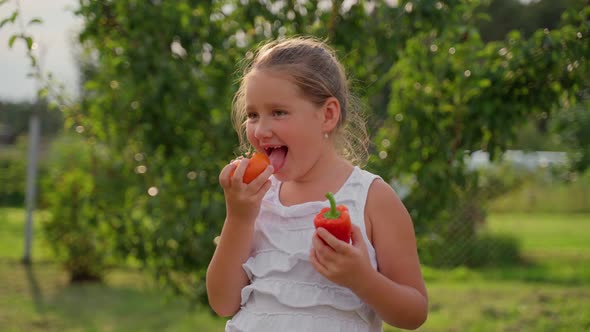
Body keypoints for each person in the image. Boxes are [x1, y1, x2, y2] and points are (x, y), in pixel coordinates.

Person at [206, 36, 428, 331]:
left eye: (278, 112)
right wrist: (238, 217)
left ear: (327, 115)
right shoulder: (257, 199)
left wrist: (362, 278)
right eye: (252, 115)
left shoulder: (371, 199)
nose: (260, 129)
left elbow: (414, 314)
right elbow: (223, 302)